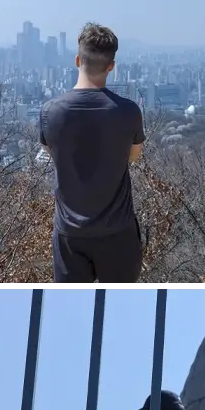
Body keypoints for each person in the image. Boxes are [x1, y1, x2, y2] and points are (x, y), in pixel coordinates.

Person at [40, 23, 145, 287]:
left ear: (77, 60)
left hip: (69, 234)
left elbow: (52, 155)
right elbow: (132, 157)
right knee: (120, 308)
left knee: (72, 310)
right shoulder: (128, 111)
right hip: (118, 231)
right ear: (111, 66)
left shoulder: (50, 112)